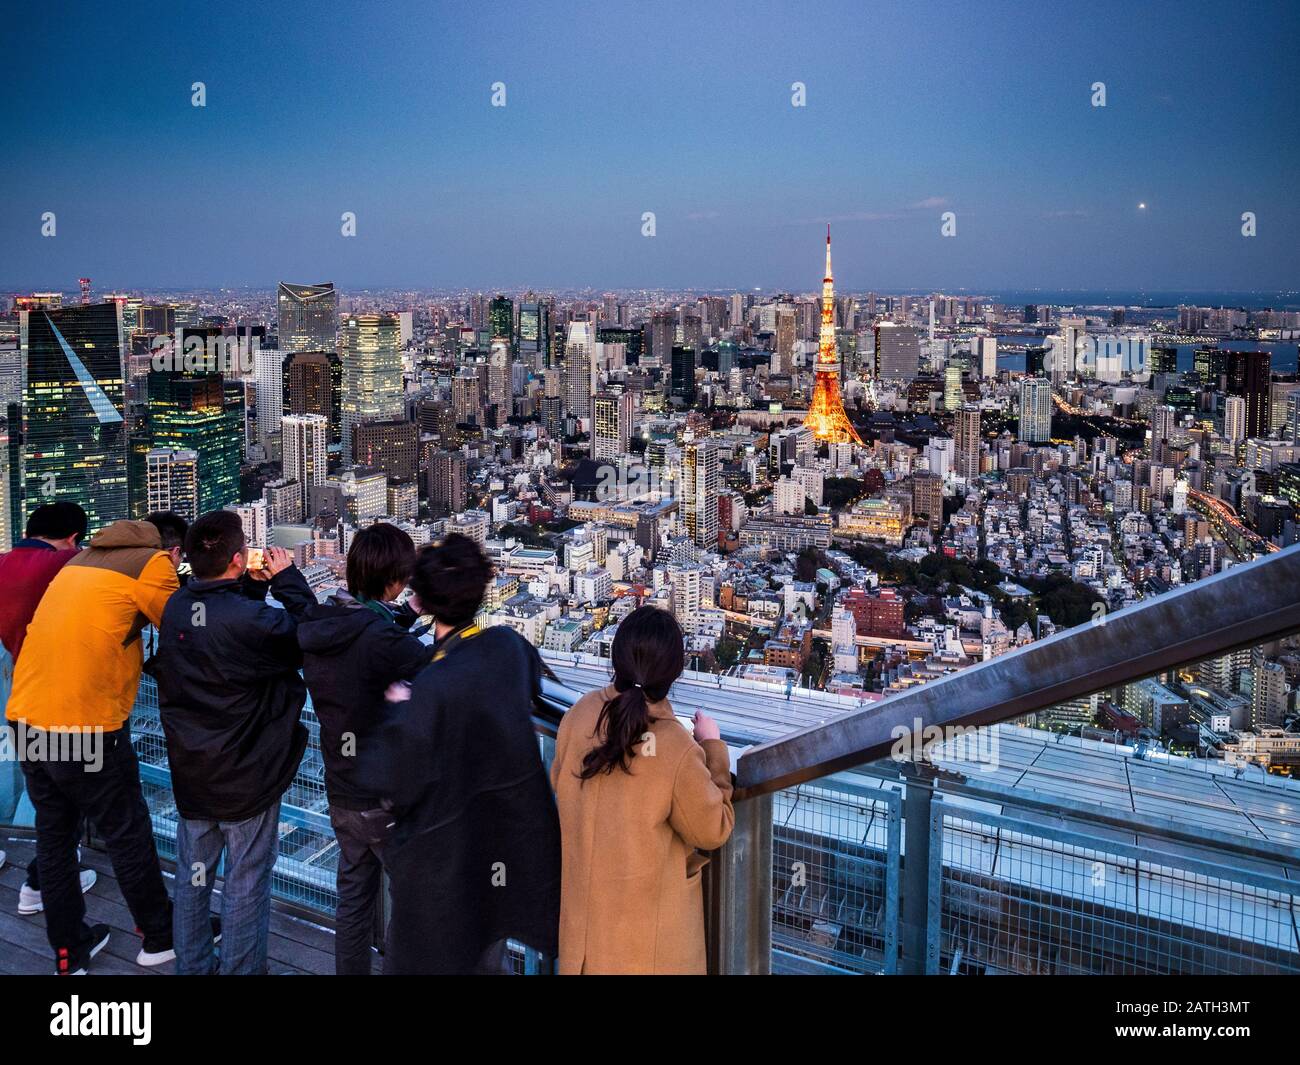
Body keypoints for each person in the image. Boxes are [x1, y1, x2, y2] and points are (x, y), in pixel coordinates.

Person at [356, 533, 560, 974]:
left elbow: (390, 779)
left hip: (442, 869)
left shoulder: (430, 688)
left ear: (425, 603)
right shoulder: (506, 648)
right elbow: (524, 667)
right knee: (488, 954)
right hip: (501, 850)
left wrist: (397, 710)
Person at [6, 514, 187, 974]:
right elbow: (186, 628)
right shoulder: (152, 563)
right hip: (85, 724)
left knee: (54, 836)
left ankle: (69, 953)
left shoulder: (79, 561)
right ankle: (159, 935)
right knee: (126, 830)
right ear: (172, 550)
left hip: (27, 717)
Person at [152, 511, 315, 975]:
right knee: (245, 881)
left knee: (193, 879)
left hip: (192, 769)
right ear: (239, 559)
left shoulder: (176, 607)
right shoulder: (256, 623)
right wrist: (285, 581)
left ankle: (194, 968)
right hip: (247, 776)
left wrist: (253, 588)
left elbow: (220, 620)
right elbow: (315, 634)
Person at [550, 605, 734, 974]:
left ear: (614, 659)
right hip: (646, 952)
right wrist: (712, 747)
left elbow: (561, 784)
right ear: (674, 674)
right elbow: (713, 829)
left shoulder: (579, 715)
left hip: (582, 945)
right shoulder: (674, 747)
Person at [297, 522, 435, 974]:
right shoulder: (383, 641)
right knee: (414, 904)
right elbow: (439, 673)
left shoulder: (325, 623)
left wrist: (408, 613)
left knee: (353, 900)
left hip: (340, 787)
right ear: (393, 580)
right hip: (386, 796)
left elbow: (365, 633)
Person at [0, 502, 99, 914]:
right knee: (68, 801)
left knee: (49, 799)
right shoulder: (65, 564)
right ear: (72, 538)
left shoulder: (4, 564)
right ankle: (42, 881)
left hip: (20, 698)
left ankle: (43, 878)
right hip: (64, 698)